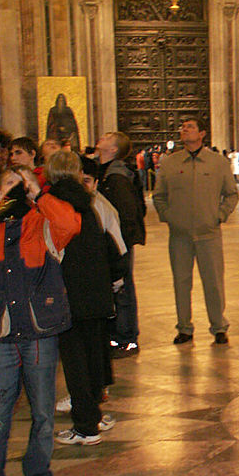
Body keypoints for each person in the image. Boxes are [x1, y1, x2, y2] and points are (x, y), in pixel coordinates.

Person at [0, 165, 80, 476]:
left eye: (19, 185)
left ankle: (38, 472)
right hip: (1, 332)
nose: (13, 191)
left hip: (39, 331)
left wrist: (37, 193)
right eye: (7, 186)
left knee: (42, 409)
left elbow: (71, 224)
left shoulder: (43, 224)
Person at [48, 153, 126, 446]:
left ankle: (85, 426)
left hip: (71, 295)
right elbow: (109, 247)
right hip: (96, 294)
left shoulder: (55, 205)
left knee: (75, 363)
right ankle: (93, 416)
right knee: (93, 358)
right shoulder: (89, 204)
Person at [153, 116, 239, 345]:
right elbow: (159, 196)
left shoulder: (217, 162)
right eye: (183, 128)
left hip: (208, 233)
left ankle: (219, 326)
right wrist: (169, 217)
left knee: (213, 282)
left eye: (190, 127)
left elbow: (231, 194)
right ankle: (184, 327)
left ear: (202, 133)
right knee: (181, 282)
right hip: (179, 235)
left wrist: (219, 216)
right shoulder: (171, 163)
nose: (185, 130)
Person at [96, 131, 145, 357]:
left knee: (123, 287)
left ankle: (127, 339)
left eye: (107, 137)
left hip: (119, 241)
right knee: (116, 288)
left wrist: (119, 244)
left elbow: (127, 213)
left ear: (113, 149)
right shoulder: (105, 172)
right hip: (112, 241)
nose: (101, 139)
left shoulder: (117, 178)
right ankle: (116, 336)